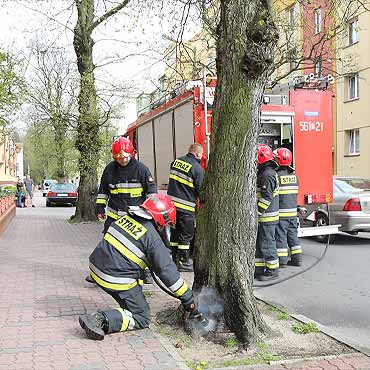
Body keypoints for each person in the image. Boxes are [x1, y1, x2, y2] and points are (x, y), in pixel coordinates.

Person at [79, 194, 201, 340]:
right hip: (114, 278)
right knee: (141, 316)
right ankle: (99, 319)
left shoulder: (125, 219)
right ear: (162, 220)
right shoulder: (152, 238)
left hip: (95, 268)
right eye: (167, 224)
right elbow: (167, 272)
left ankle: (126, 305)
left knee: (135, 295)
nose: (166, 228)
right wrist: (188, 298)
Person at [92, 137, 157, 284]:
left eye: (125, 157)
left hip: (135, 218)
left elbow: (151, 193)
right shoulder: (109, 169)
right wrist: (100, 206)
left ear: (131, 153)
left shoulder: (141, 169)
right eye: (118, 158)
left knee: (141, 245)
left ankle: (145, 273)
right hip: (114, 216)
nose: (122, 160)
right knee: (108, 244)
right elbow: (103, 190)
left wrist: (153, 213)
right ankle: (102, 273)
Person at [167, 143, 205, 272]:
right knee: (186, 235)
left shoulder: (175, 162)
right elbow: (201, 190)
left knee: (174, 234)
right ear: (198, 153)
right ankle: (183, 262)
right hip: (186, 208)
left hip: (171, 207)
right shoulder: (197, 168)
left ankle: (174, 260)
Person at [255, 144, 280, 281]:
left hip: (267, 217)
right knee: (260, 243)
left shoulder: (267, 175)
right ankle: (258, 269)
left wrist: (257, 213)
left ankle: (272, 271)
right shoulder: (266, 173)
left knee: (267, 243)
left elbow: (267, 197)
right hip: (264, 217)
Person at [274, 147, 302, 267]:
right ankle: (297, 259)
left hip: (281, 213)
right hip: (292, 213)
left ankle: (282, 261)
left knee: (280, 237)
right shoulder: (295, 176)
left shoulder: (277, 176)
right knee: (293, 236)